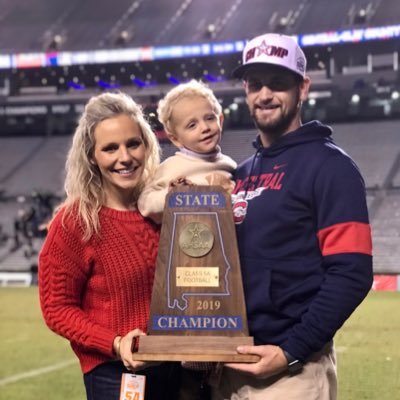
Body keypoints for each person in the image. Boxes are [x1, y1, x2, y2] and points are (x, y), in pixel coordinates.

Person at [211, 33, 373, 399]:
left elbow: (352, 273)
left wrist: (290, 351)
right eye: (255, 84)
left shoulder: (332, 168)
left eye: (279, 83)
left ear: (303, 88)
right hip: (228, 367)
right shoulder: (241, 172)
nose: (265, 94)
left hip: (289, 376)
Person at [38, 92, 181, 400]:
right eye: (110, 148)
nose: (125, 157)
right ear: (92, 155)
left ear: (147, 144)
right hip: (115, 376)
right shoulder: (75, 222)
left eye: (133, 143)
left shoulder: (162, 209)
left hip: (177, 369)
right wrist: (115, 343)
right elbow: (56, 308)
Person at [138, 79, 237, 224]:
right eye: (192, 125)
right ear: (175, 139)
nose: (204, 128)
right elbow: (146, 205)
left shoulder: (230, 165)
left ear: (220, 121)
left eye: (209, 118)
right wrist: (179, 195)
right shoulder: (169, 168)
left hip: (226, 241)